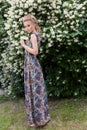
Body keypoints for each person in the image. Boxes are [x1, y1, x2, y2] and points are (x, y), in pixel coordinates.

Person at [20, 14, 50, 128]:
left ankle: (37, 120)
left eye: (29, 25)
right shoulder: (34, 34)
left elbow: (35, 51)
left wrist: (23, 45)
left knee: (34, 91)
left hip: (32, 66)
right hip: (31, 65)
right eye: (25, 26)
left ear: (34, 24)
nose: (27, 28)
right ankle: (40, 118)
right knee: (35, 91)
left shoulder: (33, 35)